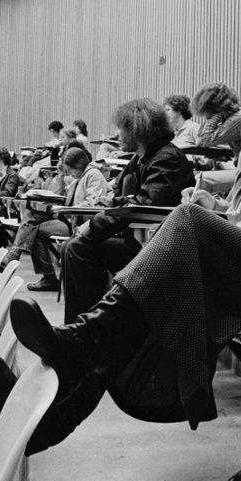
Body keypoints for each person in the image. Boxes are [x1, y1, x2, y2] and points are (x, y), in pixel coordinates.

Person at [8, 51, 241, 452]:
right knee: (154, 291)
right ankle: (67, 397)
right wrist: (215, 207)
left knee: (182, 225)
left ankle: (82, 341)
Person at [60, 98, 194, 321]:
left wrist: (92, 227)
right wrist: (114, 202)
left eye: (121, 129)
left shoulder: (167, 158)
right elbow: (135, 198)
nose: (117, 135)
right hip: (141, 242)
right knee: (72, 248)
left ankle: (84, 329)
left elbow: (144, 205)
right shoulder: (144, 158)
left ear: (137, 130)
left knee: (77, 248)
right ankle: (84, 325)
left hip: (162, 249)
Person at [11, 147, 113, 291]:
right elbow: (64, 198)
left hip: (82, 224)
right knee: (33, 220)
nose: (68, 173)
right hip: (71, 219)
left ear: (77, 165)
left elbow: (93, 203)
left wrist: (65, 210)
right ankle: (46, 275)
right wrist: (59, 178)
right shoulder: (80, 177)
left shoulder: (93, 175)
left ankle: (19, 255)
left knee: (31, 222)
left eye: (69, 169)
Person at [191, 82, 241, 159]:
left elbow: (203, 141)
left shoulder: (238, 118)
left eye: (208, 111)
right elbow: (200, 139)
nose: (207, 115)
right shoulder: (230, 116)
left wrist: (213, 116)